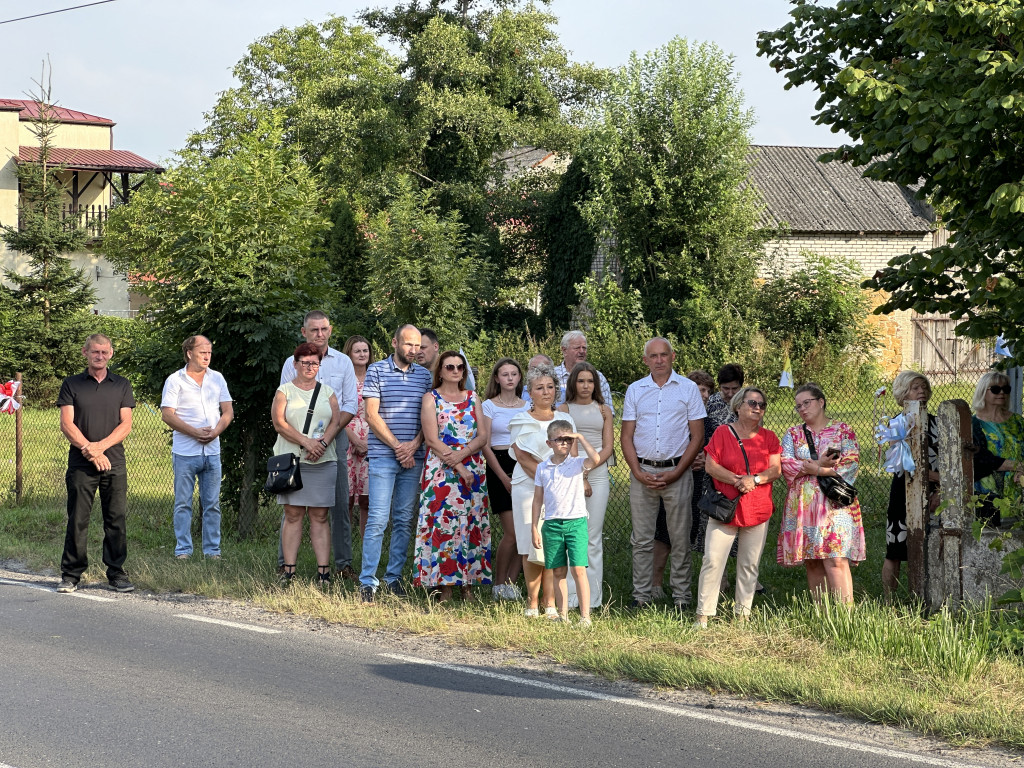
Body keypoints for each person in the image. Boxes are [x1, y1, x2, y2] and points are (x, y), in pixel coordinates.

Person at [621, 337, 706, 611]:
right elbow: (626, 437)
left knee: (680, 538)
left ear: (673, 356)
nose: (659, 360)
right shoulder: (635, 390)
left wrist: (678, 472)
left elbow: (697, 436)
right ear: (645, 360)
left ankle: (682, 597)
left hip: (677, 471)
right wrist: (636, 471)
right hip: (642, 472)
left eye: (664, 355)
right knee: (642, 539)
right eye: (653, 356)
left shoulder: (689, 388)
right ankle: (641, 596)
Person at [277, 311, 357, 579]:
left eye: (324, 329)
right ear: (304, 332)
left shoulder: (343, 362)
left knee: (336, 504)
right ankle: (285, 565)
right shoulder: (292, 361)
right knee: (292, 508)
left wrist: (324, 441)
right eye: (314, 330)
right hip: (295, 442)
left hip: (334, 439)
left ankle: (342, 564)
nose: (319, 334)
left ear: (331, 330)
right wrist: (306, 441)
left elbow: (349, 405)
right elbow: (284, 406)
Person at [694, 388, 781, 628]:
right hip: (725, 508)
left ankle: (742, 615)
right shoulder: (723, 433)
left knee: (749, 564)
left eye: (762, 404)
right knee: (712, 560)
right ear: (738, 406)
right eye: (752, 402)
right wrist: (737, 480)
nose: (757, 408)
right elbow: (711, 466)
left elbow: (775, 470)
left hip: (757, 509)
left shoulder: (770, 438)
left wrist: (754, 480)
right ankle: (703, 615)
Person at [56, 333, 137, 593]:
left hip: (114, 462)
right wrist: (89, 450)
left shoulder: (121, 385)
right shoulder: (71, 384)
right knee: (77, 518)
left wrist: (99, 448)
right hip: (81, 463)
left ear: (111, 353)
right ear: (85, 353)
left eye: (104, 352)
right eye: (95, 352)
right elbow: (67, 424)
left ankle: (116, 573)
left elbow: (126, 424)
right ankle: (71, 574)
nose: (99, 356)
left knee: (116, 518)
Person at [360, 324, 433, 602]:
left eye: (418, 346)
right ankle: (368, 582)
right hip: (383, 456)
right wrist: (397, 447)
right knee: (378, 520)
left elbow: (430, 419)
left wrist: (413, 445)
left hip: (413, 458)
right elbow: (371, 414)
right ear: (394, 343)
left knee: (403, 520)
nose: (414, 351)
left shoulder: (425, 377)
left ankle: (393, 579)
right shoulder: (376, 370)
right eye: (408, 345)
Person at [414, 351, 492, 602]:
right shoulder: (431, 398)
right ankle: (444, 585)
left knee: (470, 524)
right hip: (441, 472)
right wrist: (459, 466)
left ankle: (468, 585)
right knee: (443, 526)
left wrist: (464, 457)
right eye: (450, 367)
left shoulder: (473, 397)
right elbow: (431, 439)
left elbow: (482, 437)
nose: (456, 371)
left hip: (473, 468)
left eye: (460, 367)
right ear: (440, 370)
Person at [778, 383, 866, 604]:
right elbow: (786, 464)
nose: (802, 409)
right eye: (798, 406)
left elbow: (851, 464)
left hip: (835, 505)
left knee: (835, 559)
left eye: (806, 403)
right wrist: (821, 464)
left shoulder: (842, 430)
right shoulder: (793, 434)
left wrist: (815, 469)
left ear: (821, 402)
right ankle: (822, 614)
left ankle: (846, 618)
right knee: (813, 560)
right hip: (803, 506)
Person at [271, 343, 344, 587]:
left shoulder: (328, 392)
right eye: (305, 362)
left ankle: (324, 574)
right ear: (295, 364)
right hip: (291, 461)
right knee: (292, 514)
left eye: (314, 362)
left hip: (322, 460)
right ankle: (289, 571)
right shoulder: (284, 391)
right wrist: (306, 443)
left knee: (320, 515)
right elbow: (279, 423)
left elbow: (336, 420)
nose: (310, 367)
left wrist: (321, 443)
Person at [509, 365, 576, 618]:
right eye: (540, 388)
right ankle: (532, 603)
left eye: (550, 387)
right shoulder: (520, 419)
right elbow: (523, 458)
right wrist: (547, 480)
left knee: (552, 545)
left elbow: (573, 455)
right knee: (530, 543)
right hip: (528, 488)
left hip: (560, 490)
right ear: (530, 392)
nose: (546, 392)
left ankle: (550, 604)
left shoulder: (566, 420)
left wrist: (564, 483)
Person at [160, 335, 233, 560]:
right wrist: (194, 432)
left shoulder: (217, 378)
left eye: (209, 352)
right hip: (185, 453)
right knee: (183, 503)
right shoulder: (175, 380)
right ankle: (183, 550)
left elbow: (228, 412)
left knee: (212, 504)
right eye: (202, 352)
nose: (207, 356)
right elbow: (167, 415)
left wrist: (216, 432)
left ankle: (212, 551)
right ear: (189, 353)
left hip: (212, 452)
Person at [531, 420, 601, 625]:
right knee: (558, 571)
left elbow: (595, 459)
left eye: (568, 440)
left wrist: (579, 437)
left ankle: (585, 616)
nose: (565, 444)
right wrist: (534, 528)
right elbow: (537, 499)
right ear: (549, 442)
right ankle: (563, 616)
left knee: (578, 569)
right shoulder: (542, 468)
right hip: (552, 524)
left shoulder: (577, 463)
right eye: (560, 440)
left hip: (576, 522)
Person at [557, 361, 614, 609]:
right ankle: (570, 597)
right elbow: (569, 447)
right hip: (571, 476)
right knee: (571, 534)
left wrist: (589, 470)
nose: (586, 385)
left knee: (593, 536)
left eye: (590, 381)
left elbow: (609, 445)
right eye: (581, 381)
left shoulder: (604, 410)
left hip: (599, 475)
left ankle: (593, 599)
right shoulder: (564, 409)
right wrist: (580, 476)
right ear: (573, 383)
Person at [654, 370, 714, 598]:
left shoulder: (710, 424)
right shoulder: (674, 418)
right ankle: (655, 583)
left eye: (708, 390)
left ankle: (680, 584)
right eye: (701, 390)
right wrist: (685, 460)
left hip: (698, 482)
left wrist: (707, 459)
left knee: (685, 532)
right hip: (671, 477)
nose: (705, 395)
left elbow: (718, 450)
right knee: (663, 531)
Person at [882, 371, 940, 596]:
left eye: (923, 387)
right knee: (895, 550)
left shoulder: (938, 422)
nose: (921, 391)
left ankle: (925, 596)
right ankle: (889, 601)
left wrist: (941, 488)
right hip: (904, 490)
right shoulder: (896, 423)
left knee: (929, 546)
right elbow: (905, 465)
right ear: (902, 393)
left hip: (936, 492)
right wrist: (934, 477)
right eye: (915, 387)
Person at [480, 357, 529, 600]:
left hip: (524, 465)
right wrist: (503, 476)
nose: (510, 378)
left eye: (514, 374)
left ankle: (512, 584)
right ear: (497, 379)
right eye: (504, 374)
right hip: (499, 465)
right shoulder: (488, 406)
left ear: (520, 378)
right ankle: (499, 584)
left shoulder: (527, 406)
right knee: (511, 532)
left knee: (527, 531)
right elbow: (485, 444)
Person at [971, 370, 1024, 526]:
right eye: (995, 389)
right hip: (988, 489)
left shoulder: (1017, 421)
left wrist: (1021, 470)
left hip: (1017, 485)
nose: (1002, 393)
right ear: (983, 392)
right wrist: (1018, 465)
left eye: (1006, 389)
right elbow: (979, 459)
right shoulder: (973, 424)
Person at [343, 335, 372, 538]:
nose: (362, 354)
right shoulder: (344, 378)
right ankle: (344, 545)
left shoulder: (375, 376)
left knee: (366, 498)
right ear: (349, 354)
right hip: (346, 433)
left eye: (365, 350)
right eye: (357, 351)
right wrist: (354, 439)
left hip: (372, 437)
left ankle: (365, 545)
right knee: (345, 497)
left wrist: (369, 441)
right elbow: (335, 412)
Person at [554, 331, 613, 409]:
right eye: (577, 348)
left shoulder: (598, 377)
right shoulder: (552, 375)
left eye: (584, 348)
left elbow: (608, 410)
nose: (582, 351)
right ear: (564, 350)